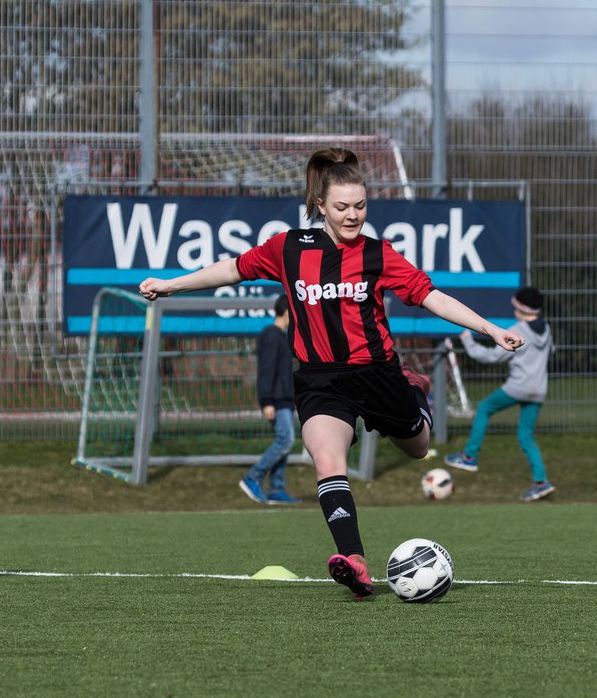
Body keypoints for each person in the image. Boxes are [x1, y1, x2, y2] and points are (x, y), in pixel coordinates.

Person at [140, 148, 522, 599]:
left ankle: (416, 393)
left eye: (360, 206)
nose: (352, 215)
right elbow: (232, 269)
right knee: (327, 461)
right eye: (342, 207)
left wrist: (489, 328)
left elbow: (432, 296)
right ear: (320, 204)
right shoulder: (287, 248)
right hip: (320, 380)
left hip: (379, 375)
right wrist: (170, 284)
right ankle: (354, 561)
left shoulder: (378, 254)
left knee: (419, 448)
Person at [445, 286, 556, 501]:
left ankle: (469, 456)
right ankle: (542, 482)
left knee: (485, 408)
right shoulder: (547, 329)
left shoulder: (519, 329)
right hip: (539, 388)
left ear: (521, 308)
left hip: (519, 386)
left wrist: (467, 338)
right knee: (526, 436)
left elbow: (491, 357)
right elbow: (551, 351)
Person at [240, 295, 301, 506]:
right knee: (285, 440)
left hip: (286, 398)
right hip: (275, 399)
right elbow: (266, 371)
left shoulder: (283, 337)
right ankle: (252, 477)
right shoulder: (271, 335)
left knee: (285, 441)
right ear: (287, 313)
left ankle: (277, 488)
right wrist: (266, 401)